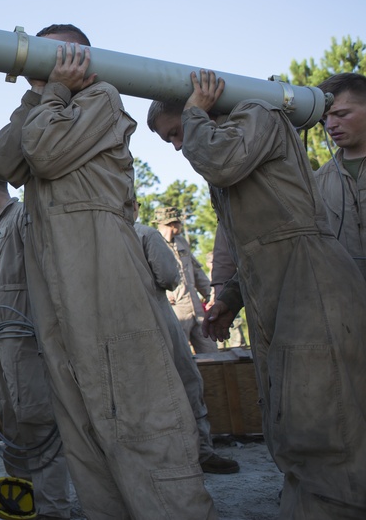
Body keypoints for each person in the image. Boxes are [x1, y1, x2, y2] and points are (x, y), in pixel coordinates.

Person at [0, 23, 216, 519]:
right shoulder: (47, 108)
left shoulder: (103, 98)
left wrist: (58, 90)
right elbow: (0, 162)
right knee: (81, 422)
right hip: (56, 276)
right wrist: (39, 96)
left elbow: (43, 154)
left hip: (100, 261)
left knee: (137, 406)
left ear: (73, 58)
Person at [147, 69, 366, 519]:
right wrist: (228, 297)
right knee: (290, 415)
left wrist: (193, 113)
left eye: (174, 132)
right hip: (279, 286)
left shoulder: (256, 112)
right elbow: (255, 243)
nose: (177, 144)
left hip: (311, 284)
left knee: (323, 418)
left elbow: (223, 163)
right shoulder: (229, 134)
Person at [0, 164, 73, 520]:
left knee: (38, 422)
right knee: (10, 425)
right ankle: (23, 499)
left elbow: (49, 274)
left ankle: (53, 509)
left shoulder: (24, 218)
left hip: (27, 344)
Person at [133, 201, 240, 475]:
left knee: (210, 367)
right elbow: (168, 278)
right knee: (183, 379)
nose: (175, 227)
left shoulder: (178, 242)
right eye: (171, 224)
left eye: (176, 223)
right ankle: (195, 451)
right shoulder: (144, 235)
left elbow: (195, 272)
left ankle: (207, 444)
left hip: (193, 311)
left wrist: (213, 295)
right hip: (167, 315)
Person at [315, 72, 366, 279]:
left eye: (341, 114)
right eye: (324, 118)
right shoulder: (317, 182)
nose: (330, 126)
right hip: (348, 305)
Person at [152, 206, 219, 354]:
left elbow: (196, 271)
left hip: (196, 308)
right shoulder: (153, 243)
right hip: (174, 309)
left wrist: (210, 294)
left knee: (211, 351)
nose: (181, 225)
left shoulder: (182, 242)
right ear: (172, 224)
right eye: (179, 222)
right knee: (180, 354)